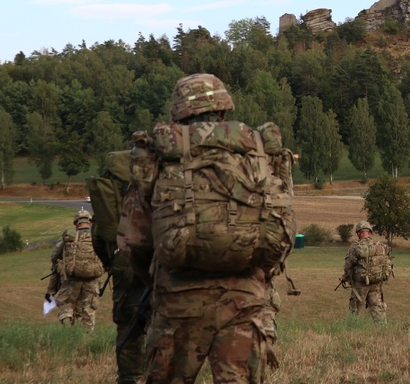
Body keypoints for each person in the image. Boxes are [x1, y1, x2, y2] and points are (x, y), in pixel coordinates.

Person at [118, 73, 295, 384]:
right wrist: (256, 272)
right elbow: (283, 228)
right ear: (225, 111)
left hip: (177, 301)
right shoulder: (255, 152)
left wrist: (161, 278)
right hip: (245, 299)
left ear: (178, 114)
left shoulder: (160, 156)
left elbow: (133, 241)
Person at [88, 150, 148, 384]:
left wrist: (110, 262)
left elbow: (99, 234)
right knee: (164, 323)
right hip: (162, 257)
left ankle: (130, 378)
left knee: (129, 325)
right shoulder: (167, 177)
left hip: (124, 257)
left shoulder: (113, 188)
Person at [47, 209, 105, 330]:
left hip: (71, 280)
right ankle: (86, 339)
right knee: (88, 310)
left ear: (76, 223)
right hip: (92, 280)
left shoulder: (70, 236)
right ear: (89, 221)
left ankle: (68, 331)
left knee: (66, 305)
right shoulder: (97, 236)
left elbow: (54, 256)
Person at [342, 221, 391, 322]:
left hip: (360, 285)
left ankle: (353, 333)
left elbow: (348, 265)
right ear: (370, 232)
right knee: (378, 311)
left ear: (359, 233)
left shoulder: (355, 247)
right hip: (376, 283)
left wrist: (346, 277)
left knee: (355, 312)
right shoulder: (380, 246)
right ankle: (384, 332)